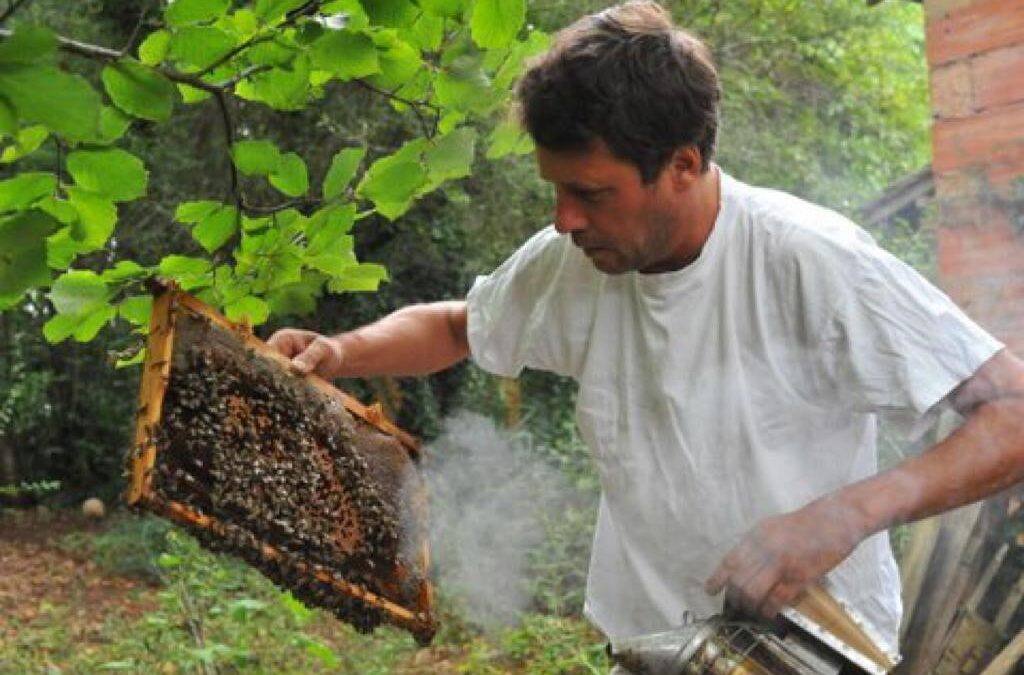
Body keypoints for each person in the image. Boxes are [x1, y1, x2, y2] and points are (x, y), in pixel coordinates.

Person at [270, 0, 1024, 657]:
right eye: (557, 190)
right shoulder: (575, 256)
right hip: (648, 650)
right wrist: (341, 351)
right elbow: (459, 327)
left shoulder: (812, 260)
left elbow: (1013, 411)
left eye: (590, 192)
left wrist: (848, 513)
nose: (565, 219)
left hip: (813, 655)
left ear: (683, 164)